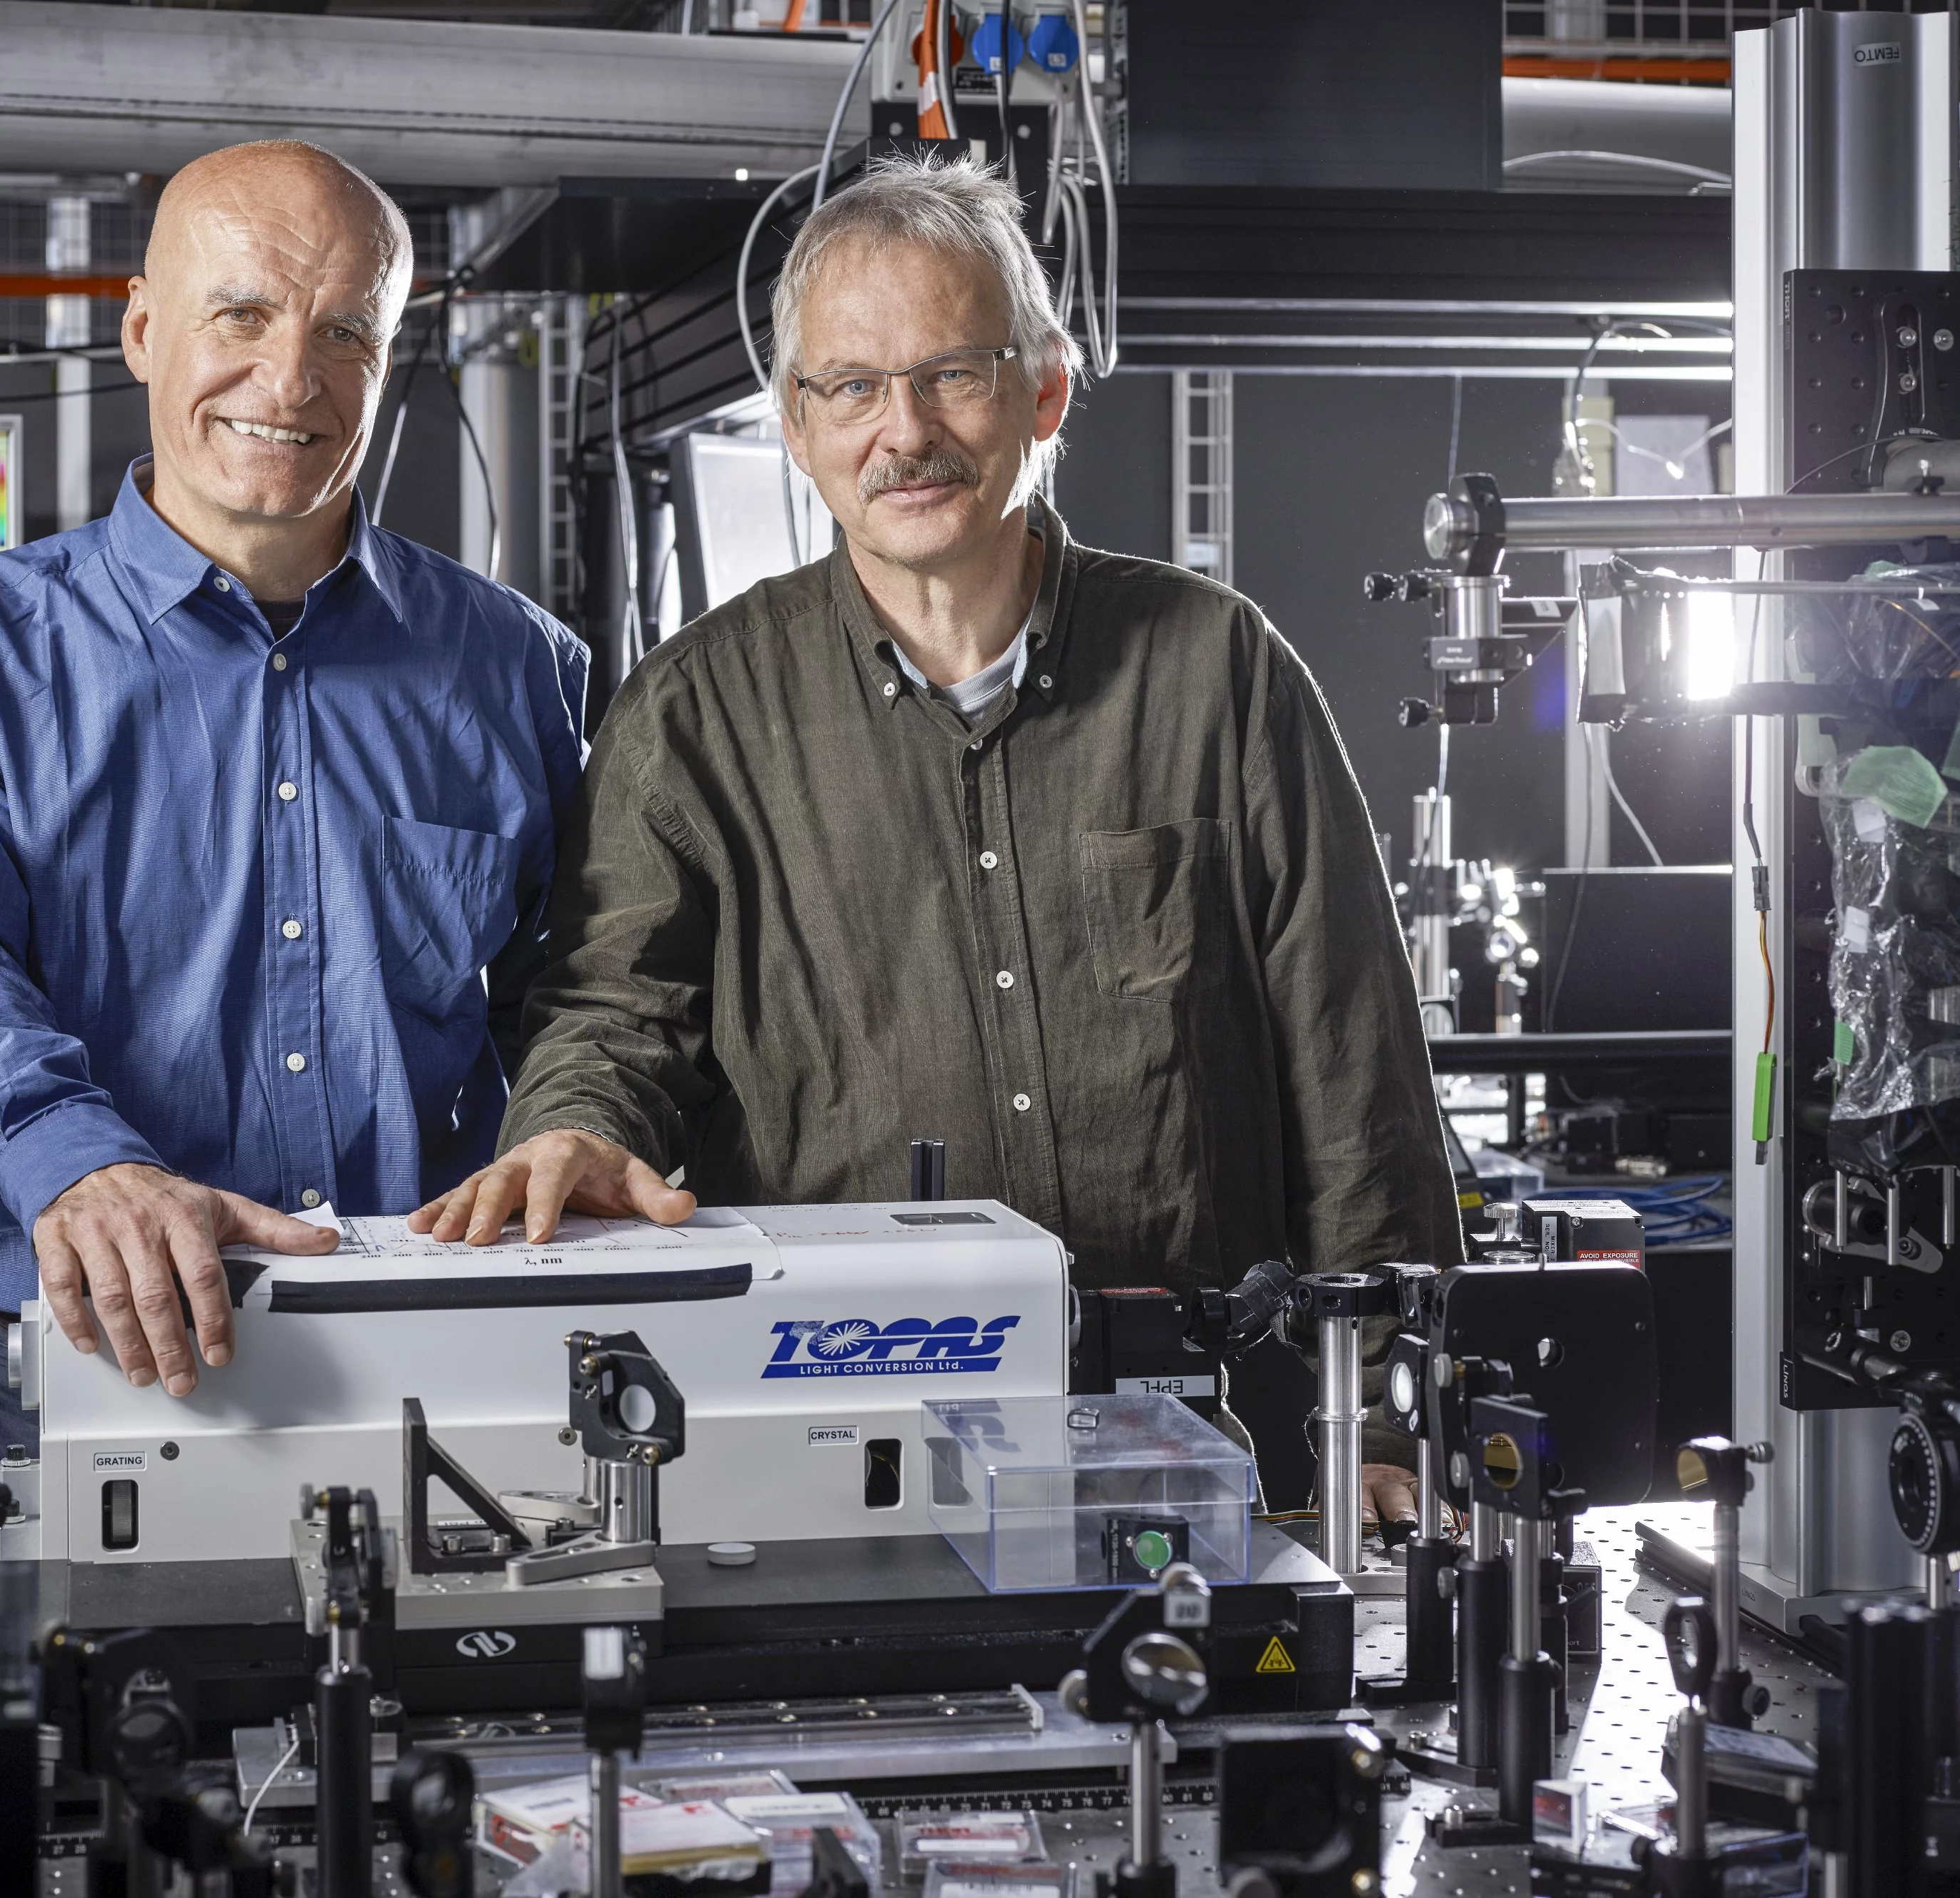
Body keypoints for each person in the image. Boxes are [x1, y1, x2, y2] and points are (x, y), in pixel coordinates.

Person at [413, 156, 1460, 1528]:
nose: (901, 431)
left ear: (1045, 388)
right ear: (795, 424)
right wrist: (569, 1127)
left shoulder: (1218, 672)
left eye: (951, 372)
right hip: (850, 1463)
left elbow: (1351, 1066)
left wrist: (1383, 1411)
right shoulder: (694, 711)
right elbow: (613, 1009)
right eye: (850, 385)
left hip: (1220, 1451)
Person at [0, 140, 589, 1474]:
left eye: (344, 331)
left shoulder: (518, 666)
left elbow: (578, 990)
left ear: (388, 353)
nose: (289, 380)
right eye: (239, 314)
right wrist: (81, 1166)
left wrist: (578, 1131)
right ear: (140, 329)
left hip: (435, 1358)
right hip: (79, 1366)